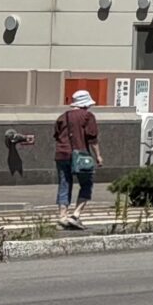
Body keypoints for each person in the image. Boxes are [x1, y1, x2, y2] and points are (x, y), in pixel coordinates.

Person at [54, 90, 99, 230]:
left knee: (64, 184)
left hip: (61, 154)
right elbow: (92, 139)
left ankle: (62, 217)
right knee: (86, 184)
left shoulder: (62, 116)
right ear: (85, 103)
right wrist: (98, 156)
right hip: (81, 155)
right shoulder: (87, 116)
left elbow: (56, 135)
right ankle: (75, 215)